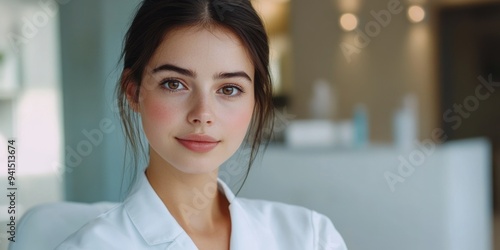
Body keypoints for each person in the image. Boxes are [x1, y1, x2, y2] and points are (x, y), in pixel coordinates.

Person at [56, 0, 347, 249]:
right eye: (174, 84)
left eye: (229, 89)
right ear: (133, 91)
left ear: (255, 100)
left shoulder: (311, 238)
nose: (203, 114)